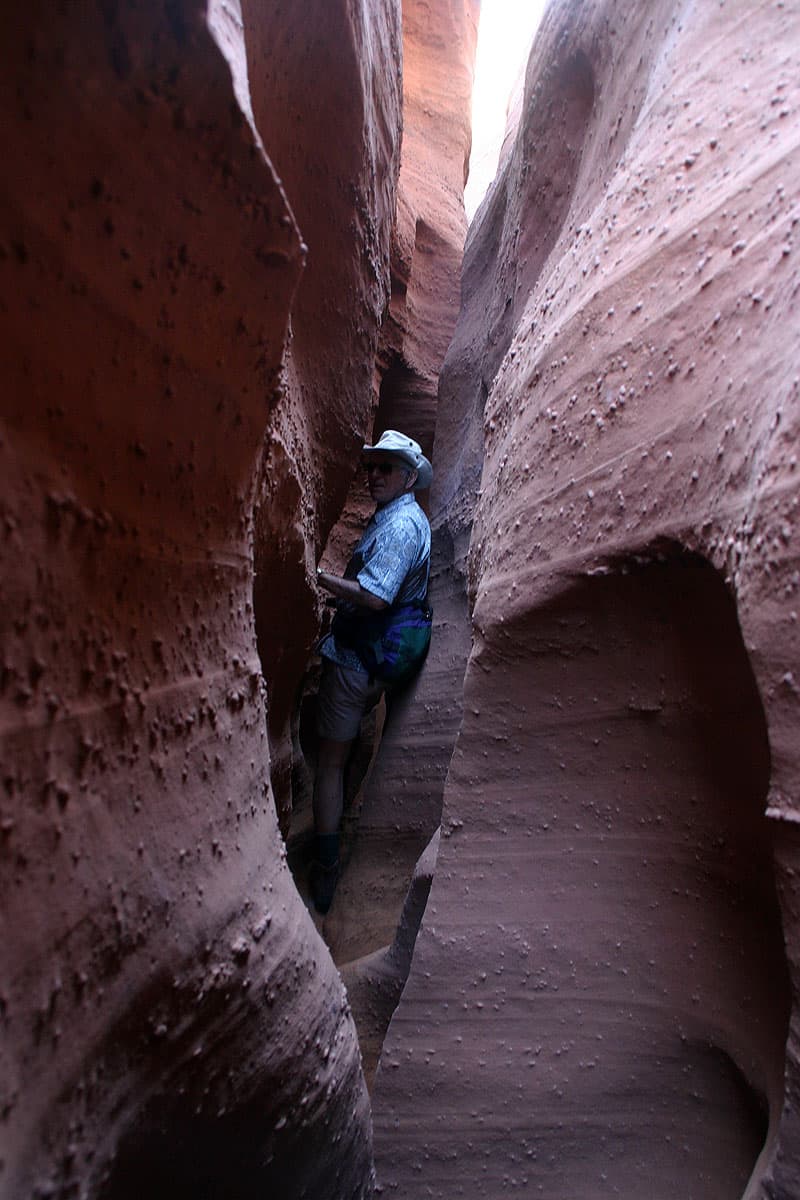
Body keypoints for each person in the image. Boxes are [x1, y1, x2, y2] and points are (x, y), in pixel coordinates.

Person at [310, 430, 433, 914]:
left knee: (329, 766)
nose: (375, 475)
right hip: (376, 661)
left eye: (387, 468)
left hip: (355, 661)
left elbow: (376, 596)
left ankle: (325, 865)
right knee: (352, 750)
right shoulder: (402, 517)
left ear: (408, 477)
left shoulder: (401, 527)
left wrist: (320, 580)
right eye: (372, 466)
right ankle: (342, 822)